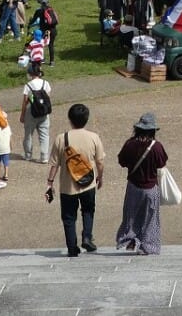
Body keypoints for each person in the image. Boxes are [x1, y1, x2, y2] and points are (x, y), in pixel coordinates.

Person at [47, 103, 105, 257]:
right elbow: (100, 161)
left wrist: (50, 182)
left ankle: (72, 248)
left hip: (67, 186)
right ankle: (87, 236)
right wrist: (100, 176)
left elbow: (54, 164)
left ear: (69, 119)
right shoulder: (94, 137)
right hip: (88, 182)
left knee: (68, 216)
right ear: (86, 119)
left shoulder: (61, 138)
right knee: (88, 210)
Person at [116, 112, 168, 255]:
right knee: (150, 219)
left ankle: (131, 238)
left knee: (131, 216)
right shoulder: (157, 147)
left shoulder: (130, 144)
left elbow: (121, 161)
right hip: (151, 188)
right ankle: (147, 246)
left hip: (133, 186)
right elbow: (162, 163)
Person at [20, 62, 53, 163]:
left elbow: (25, 102)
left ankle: (28, 155)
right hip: (43, 112)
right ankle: (44, 156)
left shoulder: (28, 86)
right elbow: (48, 97)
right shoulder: (45, 83)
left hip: (31, 111)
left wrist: (22, 115)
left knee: (28, 134)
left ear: (30, 73)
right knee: (44, 134)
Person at [29, 0, 59, 65]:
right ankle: (52, 62)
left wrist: (30, 22)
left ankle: (41, 59)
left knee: (40, 44)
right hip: (53, 30)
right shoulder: (51, 9)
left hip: (43, 30)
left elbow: (33, 20)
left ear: (40, 3)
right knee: (51, 45)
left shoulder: (39, 11)